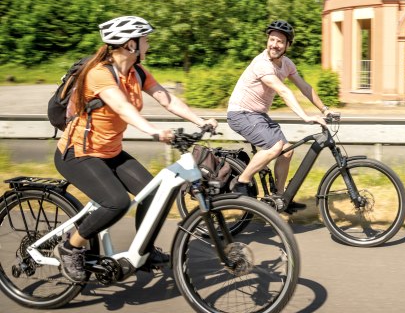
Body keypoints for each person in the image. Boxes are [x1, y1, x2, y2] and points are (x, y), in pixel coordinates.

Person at [53, 15, 217, 283]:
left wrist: (201, 121)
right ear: (131, 45)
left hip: (110, 152)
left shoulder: (137, 73)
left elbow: (168, 99)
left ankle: (143, 251)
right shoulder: (98, 74)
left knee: (153, 195)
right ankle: (71, 247)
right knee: (117, 202)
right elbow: (122, 107)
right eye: (145, 40)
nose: (149, 44)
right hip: (77, 154)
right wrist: (153, 131)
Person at [227, 19, 334, 210]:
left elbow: (305, 88)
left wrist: (324, 109)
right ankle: (241, 182)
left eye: (280, 41)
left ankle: (280, 198)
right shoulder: (262, 64)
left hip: (258, 115)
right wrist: (306, 116)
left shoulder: (286, 64)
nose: (274, 45)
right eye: (272, 39)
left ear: (287, 46)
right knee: (275, 147)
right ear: (267, 40)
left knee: (286, 151)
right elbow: (284, 91)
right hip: (241, 113)